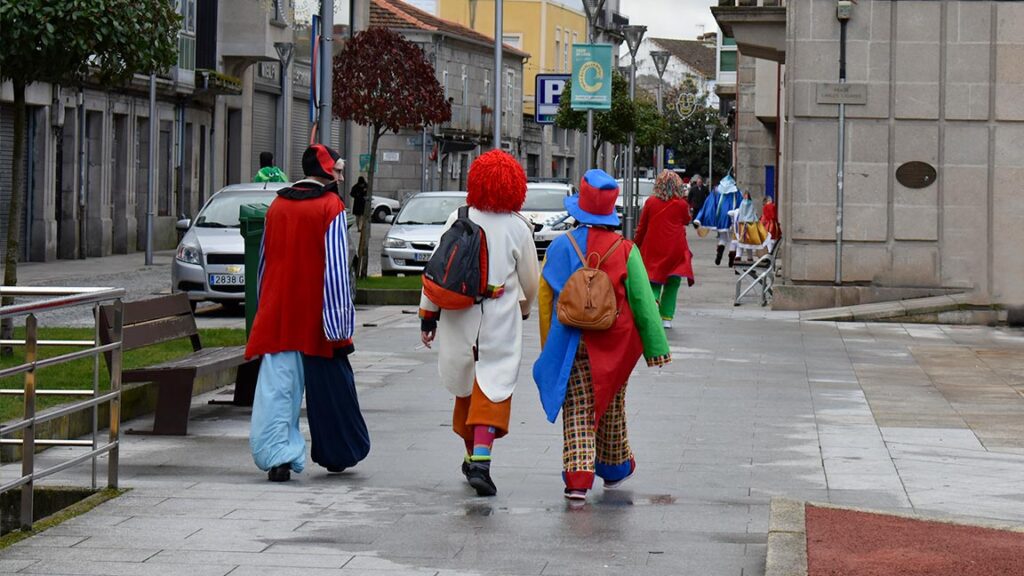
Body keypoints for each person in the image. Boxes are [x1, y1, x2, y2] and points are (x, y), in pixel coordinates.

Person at [533, 169, 671, 502]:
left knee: (578, 406)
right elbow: (642, 301)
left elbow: (545, 298)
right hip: (615, 344)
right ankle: (614, 467)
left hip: (571, 339)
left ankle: (578, 478)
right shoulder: (625, 250)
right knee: (611, 402)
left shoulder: (561, 247)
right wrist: (656, 348)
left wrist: (547, 344)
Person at [419, 149, 540, 497]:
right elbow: (530, 281)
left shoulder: (456, 218)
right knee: (495, 383)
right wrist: (525, 308)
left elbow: (436, 271)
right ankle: (481, 462)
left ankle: (471, 455)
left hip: (460, 313)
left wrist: (429, 317)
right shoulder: (519, 227)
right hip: (500, 314)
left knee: (466, 381)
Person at [246, 144, 370, 482]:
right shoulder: (331, 207)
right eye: (338, 170)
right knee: (329, 388)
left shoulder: (277, 206)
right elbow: (336, 271)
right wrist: (339, 325)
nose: (342, 176)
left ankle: (277, 458)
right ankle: (336, 452)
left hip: (278, 313)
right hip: (315, 316)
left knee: (277, 391)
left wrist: (263, 307)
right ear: (326, 171)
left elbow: (263, 263)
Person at [635, 170, 693, 330]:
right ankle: (666, 317)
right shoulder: (681, 204)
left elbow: (642, 227)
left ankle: (653, 304)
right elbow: (687, 220)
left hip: (653, 246)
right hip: (676, 248)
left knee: (653, 279)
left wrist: (636, 245)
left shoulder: (651, 202)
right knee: (672, 282)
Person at [693, 174, 742, 266]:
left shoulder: (717, 190)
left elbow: (709, 204)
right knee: (733, 238)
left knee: (723, 237)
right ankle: (731, 260)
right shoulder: (736, 191)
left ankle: (719, 253)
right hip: (732, 217)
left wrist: (702, 217)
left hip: (720, 217)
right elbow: (741, 204)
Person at [728, 191, 770, 267]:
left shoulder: (742, 206)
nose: (745, 200)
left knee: (740, 246)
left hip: (742, 227)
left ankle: (739, 262)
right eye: (745, 197)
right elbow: (754, 214)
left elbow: (733, 213)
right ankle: (747, 260)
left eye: (746, 197)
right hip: (748, 227)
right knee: (748, 247)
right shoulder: (750, 206)